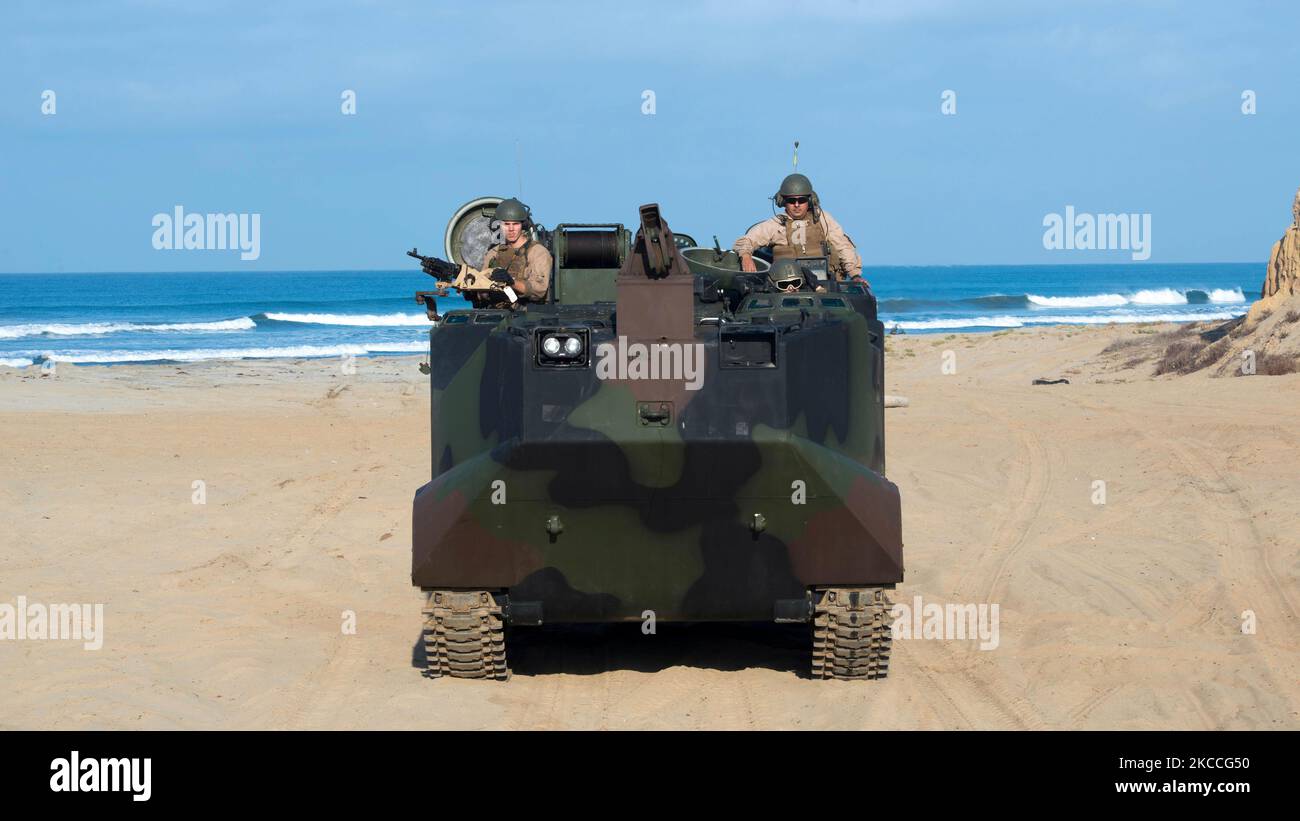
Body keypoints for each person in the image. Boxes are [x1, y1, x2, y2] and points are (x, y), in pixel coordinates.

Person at [733, 174, 865, 284]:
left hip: (825, 284)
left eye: (801, 200)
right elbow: (747, 240)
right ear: (783, 202)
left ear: (810, 200)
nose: (796, 205)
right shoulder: (776, 224)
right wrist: (746, 256)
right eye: (791, 200)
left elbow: (842, 245)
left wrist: (854, 275)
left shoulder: (822, 219)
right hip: (787, 286)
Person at [481, 198, 553, 302]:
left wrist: (511, 282)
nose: (511, 229)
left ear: (523, 225)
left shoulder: (537, 252)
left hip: (527, 312)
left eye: (515, 224)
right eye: (506, 224)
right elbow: (483, 288)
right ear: (499, 225)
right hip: (497, 311)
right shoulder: (494, 253)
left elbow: (539, 290)